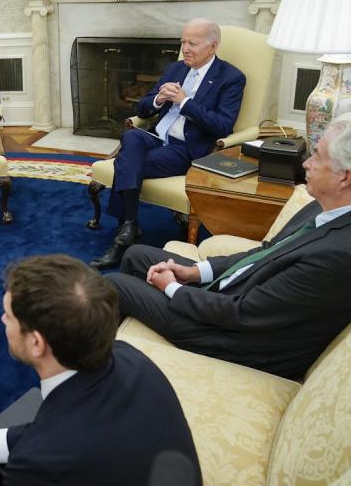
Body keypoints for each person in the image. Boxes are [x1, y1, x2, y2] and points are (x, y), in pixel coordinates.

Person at [107, 113, 351, 380]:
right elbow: (265, 251)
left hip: (237, 340)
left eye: (317, 157)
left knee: (115, 285)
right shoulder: (323, 206)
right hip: (237, 295)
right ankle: (115, 349)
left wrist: (172, 288)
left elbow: (243, 313)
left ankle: (98, 373)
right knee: (136, 254)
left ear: (344, 178)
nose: (306, 163)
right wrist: (195, 272)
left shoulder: (336, 255)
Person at [0, 255, 200, 486]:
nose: (2, 319)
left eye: (8, 315)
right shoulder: (131, 358)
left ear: (36, 343)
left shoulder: (40, 461)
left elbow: (51, 440)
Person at [91, 18, 245, 269]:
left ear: (212, 46)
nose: (185, 48)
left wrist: (185, 102)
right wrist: (159, 99)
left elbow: (223, 126)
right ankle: (129, 227)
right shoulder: (175, 69)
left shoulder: (231, 78)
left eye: (192, 43)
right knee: (131, 137)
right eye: (183, 41)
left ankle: (125, 233)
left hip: (185, 149)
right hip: (155, 138)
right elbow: (141, 108)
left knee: (125, 161)